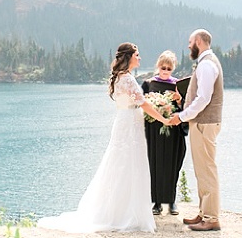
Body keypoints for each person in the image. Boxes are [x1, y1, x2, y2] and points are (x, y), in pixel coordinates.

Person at [38, 42, 169, 233]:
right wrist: (164, 119)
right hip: (130, 124)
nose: (140, 58)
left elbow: (139, 102)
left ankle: (119, 210)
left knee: (120, 164)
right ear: (129, 57)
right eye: (137, 55)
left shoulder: (120, 78)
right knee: (130, 165)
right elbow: (143, 104)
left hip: (124, 121)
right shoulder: (128, 79)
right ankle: (125, 214)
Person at [169, 29, 224, 232]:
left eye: (190, 42)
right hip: (203, 123)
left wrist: (182, 116)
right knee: (202, 170)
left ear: (199, 42)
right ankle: (204, 213)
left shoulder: (207, 64)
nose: (188, 45)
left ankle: (211, 218)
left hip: (204, 123)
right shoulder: (206, 62)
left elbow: (203, 98)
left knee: (207, 170)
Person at [141, 50, 187, 216]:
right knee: (154, 163)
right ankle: (157, 202)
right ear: (158, 67)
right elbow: (141, 105)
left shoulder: (178, 85)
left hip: (173, 130)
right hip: (154, 130)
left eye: (169, 68)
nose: (165, 71)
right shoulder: (148, 84)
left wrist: (179, 100)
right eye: (163, 68)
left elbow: (186, 109)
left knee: (172, 162)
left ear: (173, 68)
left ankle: (172, 201)